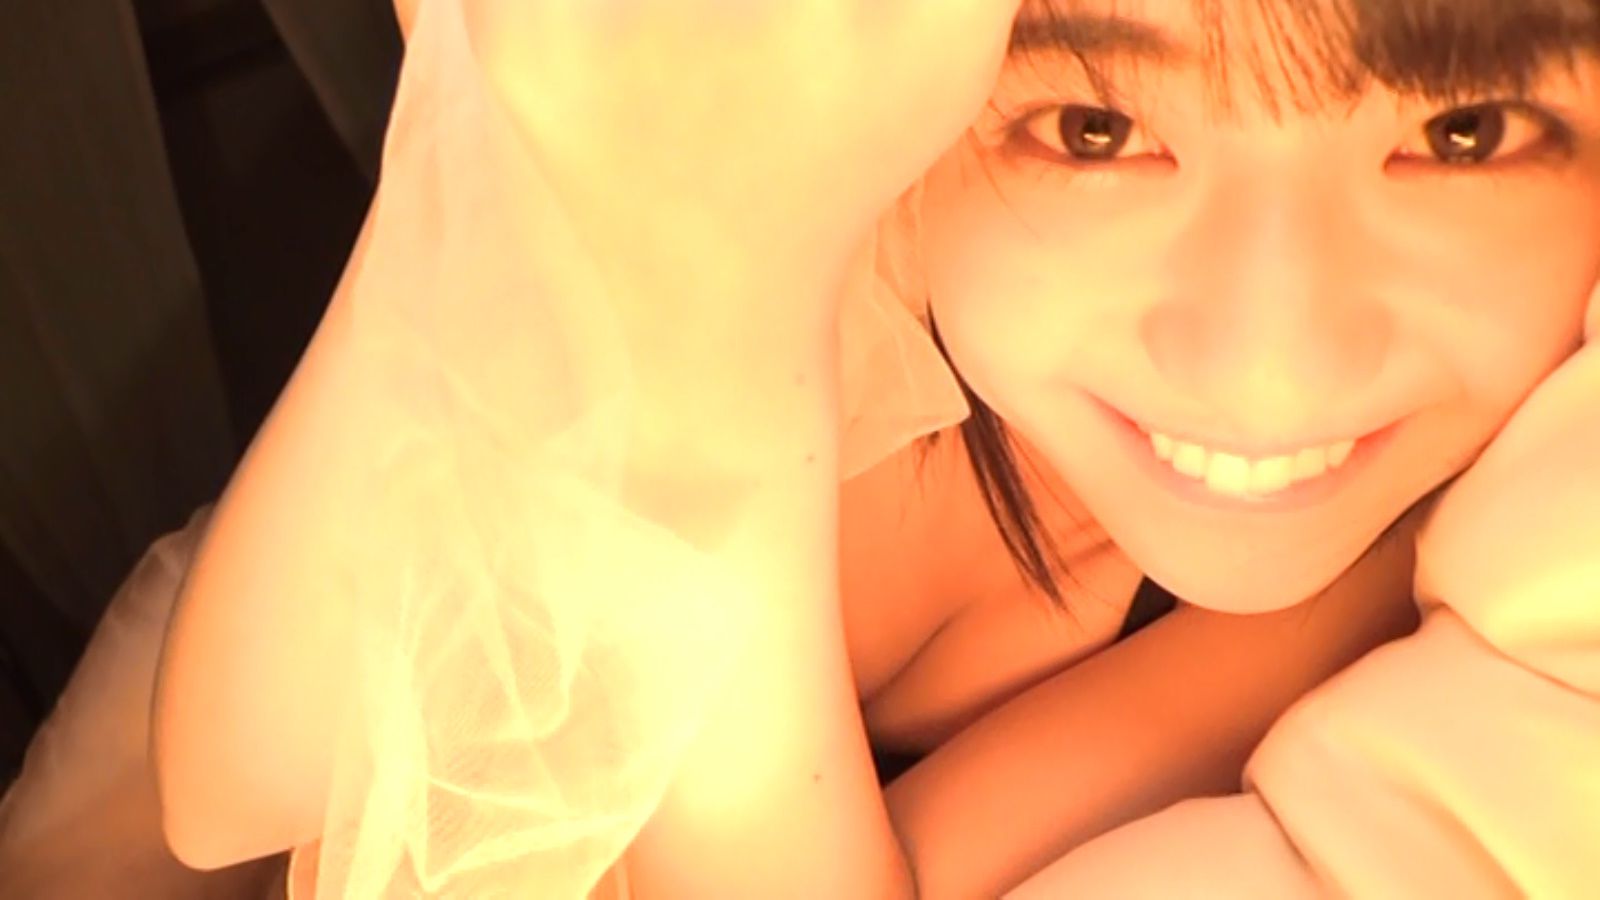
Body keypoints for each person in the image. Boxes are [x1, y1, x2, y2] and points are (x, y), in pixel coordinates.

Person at [143, 0, 1600, 898]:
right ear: (920, 127)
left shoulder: (1383, 574)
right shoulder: (780, 232)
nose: (1270, 359)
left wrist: (712, 417)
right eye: (1096, 129)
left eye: (1465, 135)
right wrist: (688, 303)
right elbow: (231, 786)